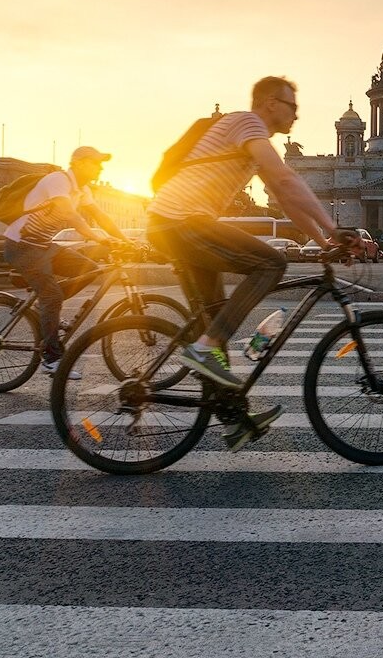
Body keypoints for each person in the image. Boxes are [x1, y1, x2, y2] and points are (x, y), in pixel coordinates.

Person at [147, 76, 360, 451]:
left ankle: (234, 421)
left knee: (214, 318)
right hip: (179, 220)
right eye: (292, 106)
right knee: (271, 263)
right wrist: (334, 226)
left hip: (177, 223)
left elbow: (285, 195)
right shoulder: (247, 123)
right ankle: (203, 348)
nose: (297, 114)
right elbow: (285, 177)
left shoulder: (253, 141)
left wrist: (324, 239)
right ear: (270, 104)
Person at [4, 146, 129, 375]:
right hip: (22, 245)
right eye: (96, 162)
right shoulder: (58, 181)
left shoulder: (81, 190)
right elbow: (71, 215)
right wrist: (101, 239)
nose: (100, 168)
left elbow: (101, 217)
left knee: (89, 270)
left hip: (43, 246)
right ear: (79, 163)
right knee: (52, 296)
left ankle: (48, 307)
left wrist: (125, 240)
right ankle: (51, 359)